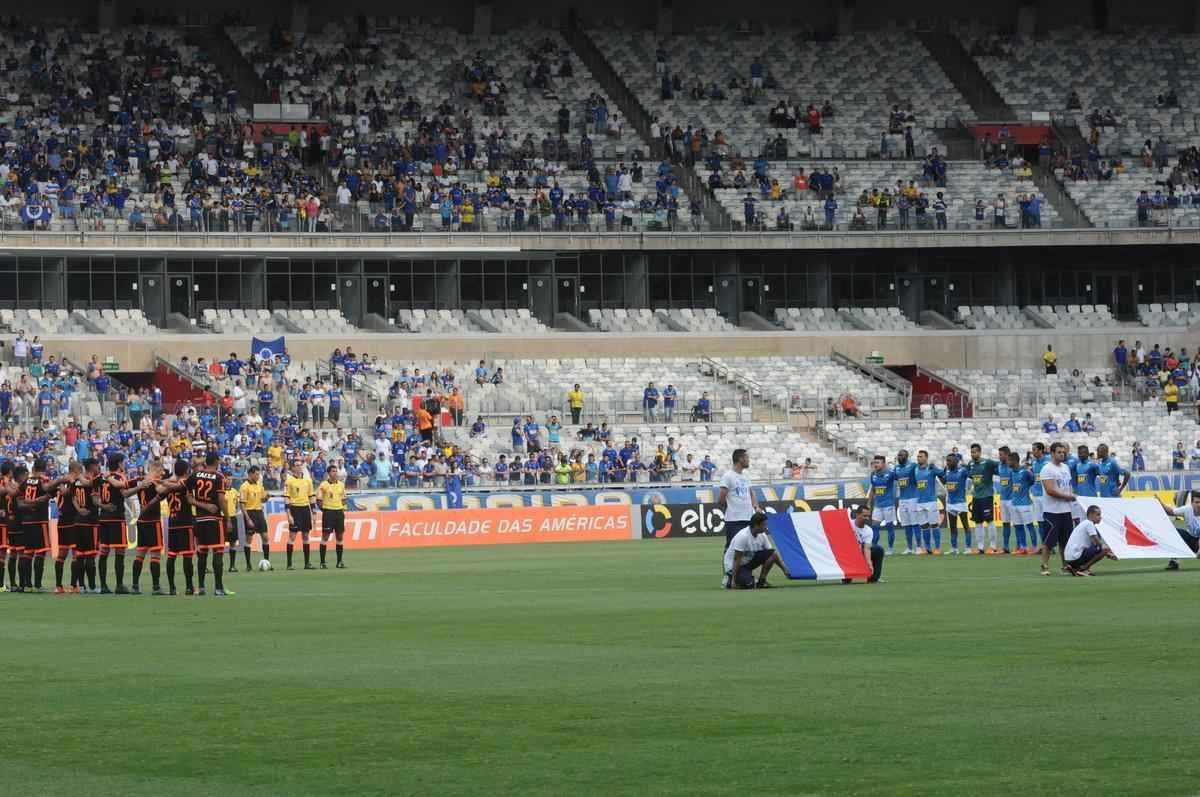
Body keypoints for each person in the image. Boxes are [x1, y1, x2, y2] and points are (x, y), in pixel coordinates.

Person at [186, 453, 230, 596]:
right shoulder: (219, 477)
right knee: (218, 552)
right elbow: (222, 500)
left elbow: (189, 498)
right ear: (216, 461)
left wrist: (202, 506)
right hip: (214, 520)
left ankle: (202, 587)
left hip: (199, 520)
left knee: (202, 554)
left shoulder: (195, 476)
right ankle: (218, 588)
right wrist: (228, 518)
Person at [1039, 442, 1076, 576]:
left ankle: (1065, 565)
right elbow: (1049, 490)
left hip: (1066, 510)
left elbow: (1068, 485)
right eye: (1059, 452)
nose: (1062, 454)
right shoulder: (1047, 469)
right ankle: (1044, 565)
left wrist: (1071, 495)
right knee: (1049, 541)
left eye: (1063, 452)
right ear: (1052, 453)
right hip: (1052, 511)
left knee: (1065, 541)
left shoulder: (1066, 467)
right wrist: (1067, 496)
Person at [131, 462, 167, 594]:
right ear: (156, 470)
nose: (162, 474)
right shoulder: (153, 482)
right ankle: (156, 587)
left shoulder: (141, 481)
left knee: (140, 554)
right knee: (155, 555)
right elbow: (160, 492)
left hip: (142, 520)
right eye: (161, 471)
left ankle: (135, 586)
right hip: (152, 521)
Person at [722, 512, 784, 589]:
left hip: (747, 562)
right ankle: (729, 579)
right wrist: (733, 582)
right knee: (750, 584)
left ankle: (761, 581)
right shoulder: (743, 536)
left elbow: (773, 554)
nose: (766, 527)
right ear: (756, 525)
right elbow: (736, 560)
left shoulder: (762, 535)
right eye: (764, 525)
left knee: (771, 554)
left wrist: (785, 570)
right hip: (734, 566)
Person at [163, 460, 197, 595]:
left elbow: (160, 490)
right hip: (185, 522)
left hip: (172, 522)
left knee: (172, 555)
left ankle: (172, 588)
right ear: (186, 470)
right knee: (187, 556)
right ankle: (189, 587)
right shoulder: (186, 482)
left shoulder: (168, 486)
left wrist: (163, 481)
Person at [718, 448, 758, 550]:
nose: (748, 460)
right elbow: (721, 497)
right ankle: (728, 566)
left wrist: (756, 507)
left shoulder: (745, 477)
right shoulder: (728, 476)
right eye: (747, 457)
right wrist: (731, 508)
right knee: (732, 548)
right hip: (734, 520)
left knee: (746, 549)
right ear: (740, 459)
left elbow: (752, 493)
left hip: (748, 519)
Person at [967, 443, 1001, 554]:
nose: (973, 454)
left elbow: (999, 464)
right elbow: (970, 475)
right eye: (971, 452)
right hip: (976, 497)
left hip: (987, 496)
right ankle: (980, 547)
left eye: (975, 452)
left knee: (990, 521)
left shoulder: (987, 462)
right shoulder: (971, 464)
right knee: (978, 522)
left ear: (980, 452)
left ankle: (993, 546)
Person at [284, 460, 316, 570]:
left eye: (300, 465)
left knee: (306, 536)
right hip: (294, 509)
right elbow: (287, 498)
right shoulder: (289, 481)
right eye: (296, 465)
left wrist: (313, 511)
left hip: (305, 509)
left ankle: (307, 563)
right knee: (292, 536)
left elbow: (311, 496)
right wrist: (289, 514)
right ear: (292, 468)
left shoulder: (308, 480)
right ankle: (289, 564)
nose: (299, 467)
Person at [1063, 505, 1112, 576]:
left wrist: (1106, 553)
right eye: (1098, 514)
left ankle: (1073, 567)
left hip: (1069, 558)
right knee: (1104, 549)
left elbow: (1094, 544)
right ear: (1091, 515)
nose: (1100, 517)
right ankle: (1083, 568)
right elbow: (1098, 543)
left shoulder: (1084, 523)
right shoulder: (1089, 524)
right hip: (1075, 556)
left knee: (1100, 549)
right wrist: (1108, 552)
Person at [1158, 492, 1200, 570]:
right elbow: (1171, 512)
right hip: (1191, 539)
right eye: (1196, 502)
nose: (1199, 505)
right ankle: (1174, 562)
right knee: (1175, 532)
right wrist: (1160, 502)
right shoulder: (1187, 509)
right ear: (1191, 503)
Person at [239, 465, 270, 570]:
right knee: (249, 539)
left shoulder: (259, 485)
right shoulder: (244, 486)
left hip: (259, 512)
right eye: (256, 474)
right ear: (250, 474)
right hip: (250, 513)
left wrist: (266, 498)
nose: (258, 476)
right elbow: (242, 504)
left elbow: (262, 500)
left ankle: (267, 562)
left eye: (259, 474)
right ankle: (248, 564)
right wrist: (247, 519)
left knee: (265, 537)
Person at [316, 465, 347, 569]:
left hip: (339, 513)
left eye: (336, 471)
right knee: (325, 536)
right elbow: (319, 501)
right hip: (328, 513)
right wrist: (325, 510)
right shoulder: (323, 485)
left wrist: (341, 508)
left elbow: (344, 499)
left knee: (339, 536)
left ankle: (339, 562)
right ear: (328, 473)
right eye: (333, 471)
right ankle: (322, 562)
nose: (335, 473)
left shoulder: (341, 485)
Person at [940, 453, 971, 554]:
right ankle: (954, 548)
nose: (947, 463)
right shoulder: (947, 471)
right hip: (950, 503)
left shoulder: (962, 471)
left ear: (956, 461)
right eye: (947, 461)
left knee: (965, 525)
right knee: (953, 527)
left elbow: (971, 475)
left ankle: (968, 548)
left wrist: (968, 466)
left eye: (949, 461)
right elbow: (943, 481)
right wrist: (941, 474)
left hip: (961, 502)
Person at [913, 450, 943, 554]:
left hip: (931, 501)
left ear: (926, 458)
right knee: (924, 526)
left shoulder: (931, 468)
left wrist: (935, 467)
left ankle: (938, 548)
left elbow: (942, 474)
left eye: (921, 456)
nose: (919, 458)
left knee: (934, 525)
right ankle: (928, 548)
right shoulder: (915, 469)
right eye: (918, 456)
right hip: (919, 502)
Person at [867, 454, 898, 554]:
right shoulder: (873, 475)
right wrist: (868, 502)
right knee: (875, 527)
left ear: (883, 464)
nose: (875, 464)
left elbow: (899, 477)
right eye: (875, 462)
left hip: (888, 505)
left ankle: (890, 548)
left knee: (889, 527)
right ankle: (875, 547)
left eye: (878, 462)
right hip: (877, 505)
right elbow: (873, 489)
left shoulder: (890, 474)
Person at [893, 449, 920, 554]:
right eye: (899, 455)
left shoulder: (913, 466)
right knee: (906, 525)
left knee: (915, 523)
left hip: (913, 498)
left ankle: (918, 546)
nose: (900, 457)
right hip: (902, 499)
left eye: (902, 455)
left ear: (907, 456)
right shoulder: (897, 468)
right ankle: (909, 547)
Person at [850, 506, 885, 583]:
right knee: (846, 580)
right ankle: (846, 576)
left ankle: (873, 578)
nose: (867, 518)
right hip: (847, 553)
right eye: (864, 515)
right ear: (857, 514)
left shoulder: (868, 530)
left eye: (868, 516)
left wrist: (869, 564)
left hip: (860, 552)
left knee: (878, 550)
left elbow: (867, 548)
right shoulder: (848, 523)